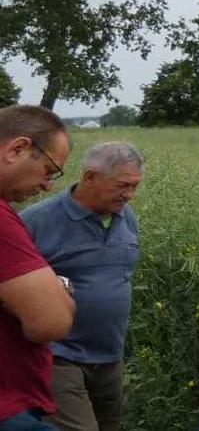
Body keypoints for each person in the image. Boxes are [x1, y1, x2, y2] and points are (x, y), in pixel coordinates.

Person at [21, 142, 144, 431]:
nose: (129, 195)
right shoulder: (37, 221)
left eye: (135, 186)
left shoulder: (126, 217)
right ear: (89, 177)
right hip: (57, 356)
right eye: (122, 185)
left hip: (110, 356)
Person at [0, 106, 74, 431]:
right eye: (49, 170)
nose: (47, 186)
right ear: (17, 149)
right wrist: (62, 290)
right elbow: (50, 323)